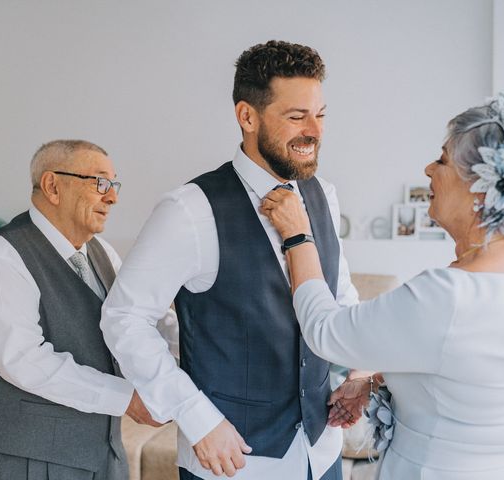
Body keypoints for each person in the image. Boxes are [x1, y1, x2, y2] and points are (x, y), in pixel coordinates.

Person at [260, 94, 504, 479]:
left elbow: (325, 330)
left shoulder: (451, 296)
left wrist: (298, 234)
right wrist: (371, 380)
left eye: (444, 160)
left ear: (481, 189)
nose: (429, 169)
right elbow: (475, 370)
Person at [101, 40, 359, 480]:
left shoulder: (325, 196)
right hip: (233, 463)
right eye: (296, 116)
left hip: (322, 451)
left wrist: (356, 369)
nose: (313, 130)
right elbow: (124, 317)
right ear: (247, 116)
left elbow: (340, 295)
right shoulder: (189, 210)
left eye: (320, 114)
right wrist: (196, 417)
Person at [0, 140, 166, 480]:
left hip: (104, 454)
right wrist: (127, 398)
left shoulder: (102, 252)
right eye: (100, 182)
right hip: (29, 460)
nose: (112, 197)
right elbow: (25, 360)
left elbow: (141, 322)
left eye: (113, 185)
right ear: (53, 186)